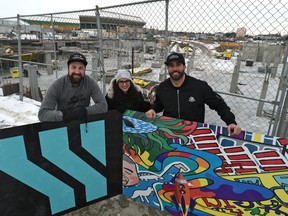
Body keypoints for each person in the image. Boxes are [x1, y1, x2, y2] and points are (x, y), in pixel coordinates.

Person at [146, 52, 241, 135]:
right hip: (170, 130)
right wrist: (153, 109)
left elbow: (219, 105)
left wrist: (231, 122)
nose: (175, 68)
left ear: (184, 67)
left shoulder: (199, 86)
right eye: (171, 65)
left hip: (194, 132)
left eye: (178, 65)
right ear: (168, 68)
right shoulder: (163, 87)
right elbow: (159, 103)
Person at [38, 52, 108, 122]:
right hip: (63, 124)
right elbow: (43, 114)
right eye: (73, 67)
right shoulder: (57, 86)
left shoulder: (90, 83)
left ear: (85, 70)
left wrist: (83, 111)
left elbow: (103, 106)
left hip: (83, 122)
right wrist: (66, 115)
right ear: (68, 68)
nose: (77, 72)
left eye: (80, 68)